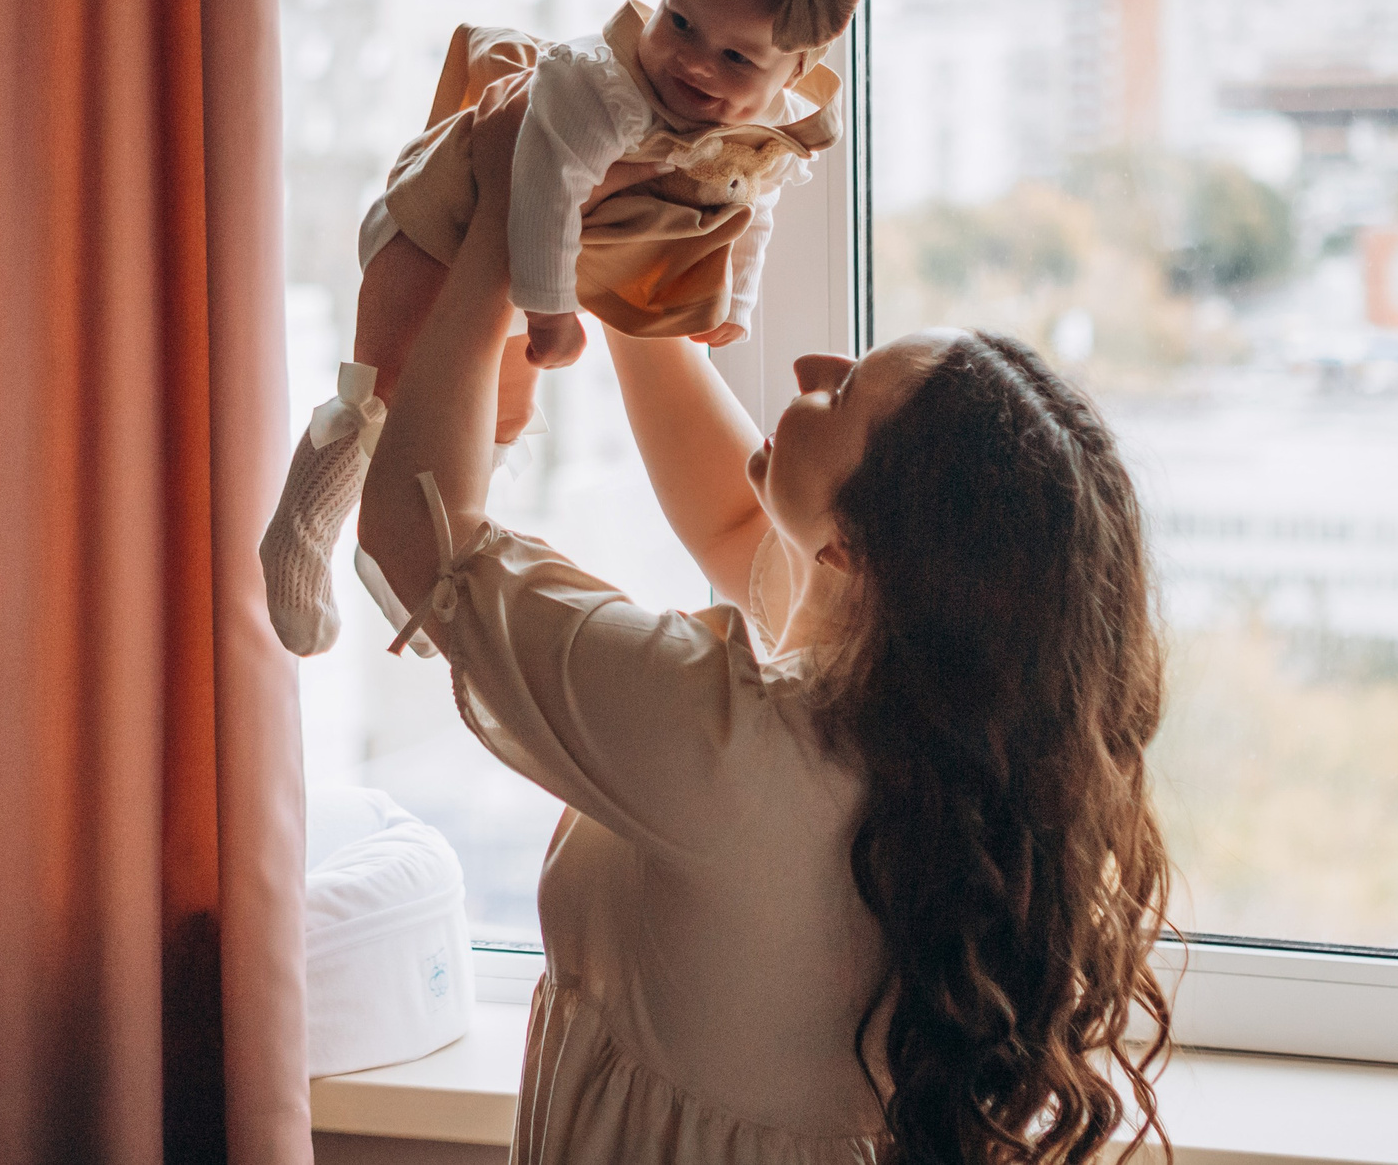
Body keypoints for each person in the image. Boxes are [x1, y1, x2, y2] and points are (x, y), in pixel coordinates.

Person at [352, 93, 1175, 1165]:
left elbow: (422, 544)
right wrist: (622, 273)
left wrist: (509, 235)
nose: (808, 372)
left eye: (842, 396)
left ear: (856, 548)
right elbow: (738, 521)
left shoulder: (726, 745)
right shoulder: (936, 726)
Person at [263, 0, 867, 657]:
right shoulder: (600, 90)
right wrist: (550, 312)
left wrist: (733, 303)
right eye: (680, 22)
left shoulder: (774, 127)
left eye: (736, 59)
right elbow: (540, 192)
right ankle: (302, 525)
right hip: (440, 224)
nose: (695, 65)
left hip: (532, 260)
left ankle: (418, 575)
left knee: (495, 416)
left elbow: (756, 205)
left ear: (791, 73)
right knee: (388, 383)